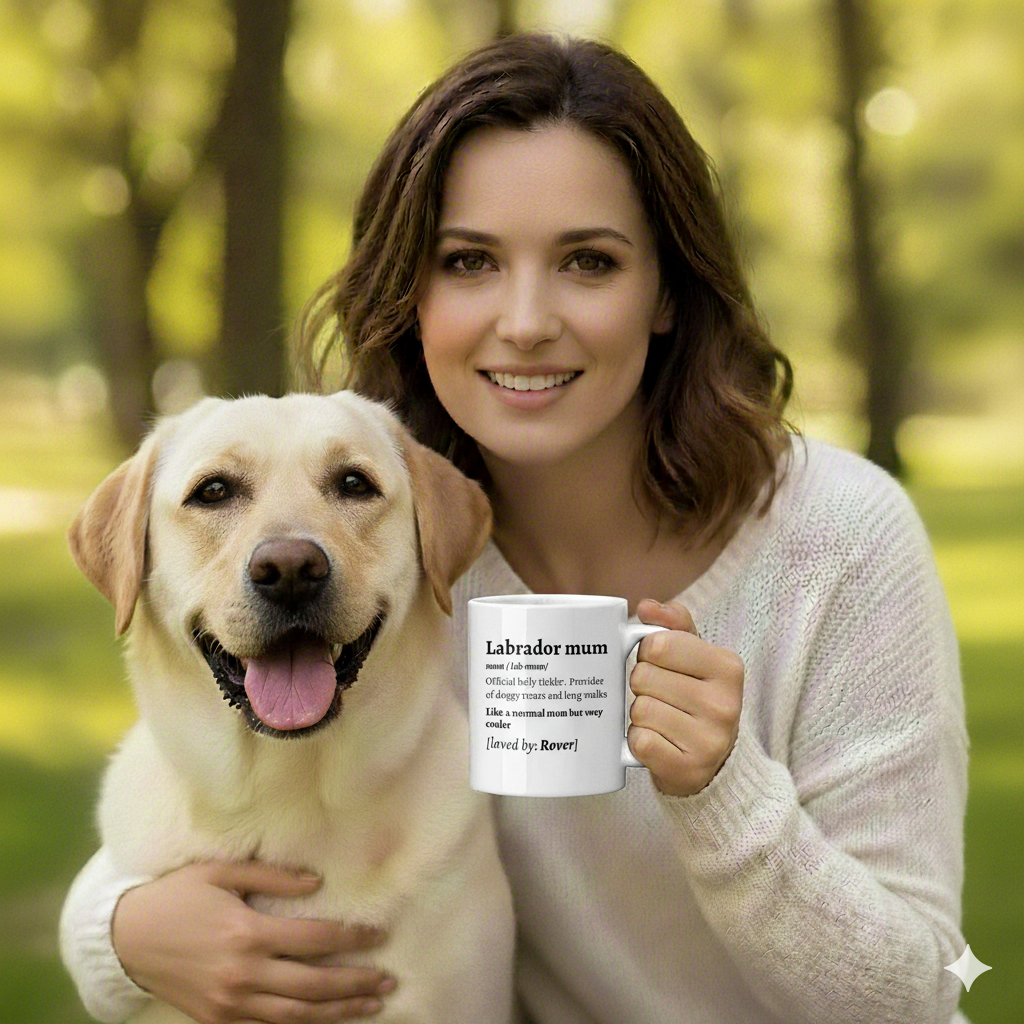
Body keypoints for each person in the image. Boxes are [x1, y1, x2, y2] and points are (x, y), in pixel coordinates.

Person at [61, 33, 970, 1024]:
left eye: (588, 261)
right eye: (469, 262)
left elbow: (915, 996)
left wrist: (722, 791)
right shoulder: (378, 545)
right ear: (413, 296)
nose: (527, 320)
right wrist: (119, 937)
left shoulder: (833, 540)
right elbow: (170, 809)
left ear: (665, 291)